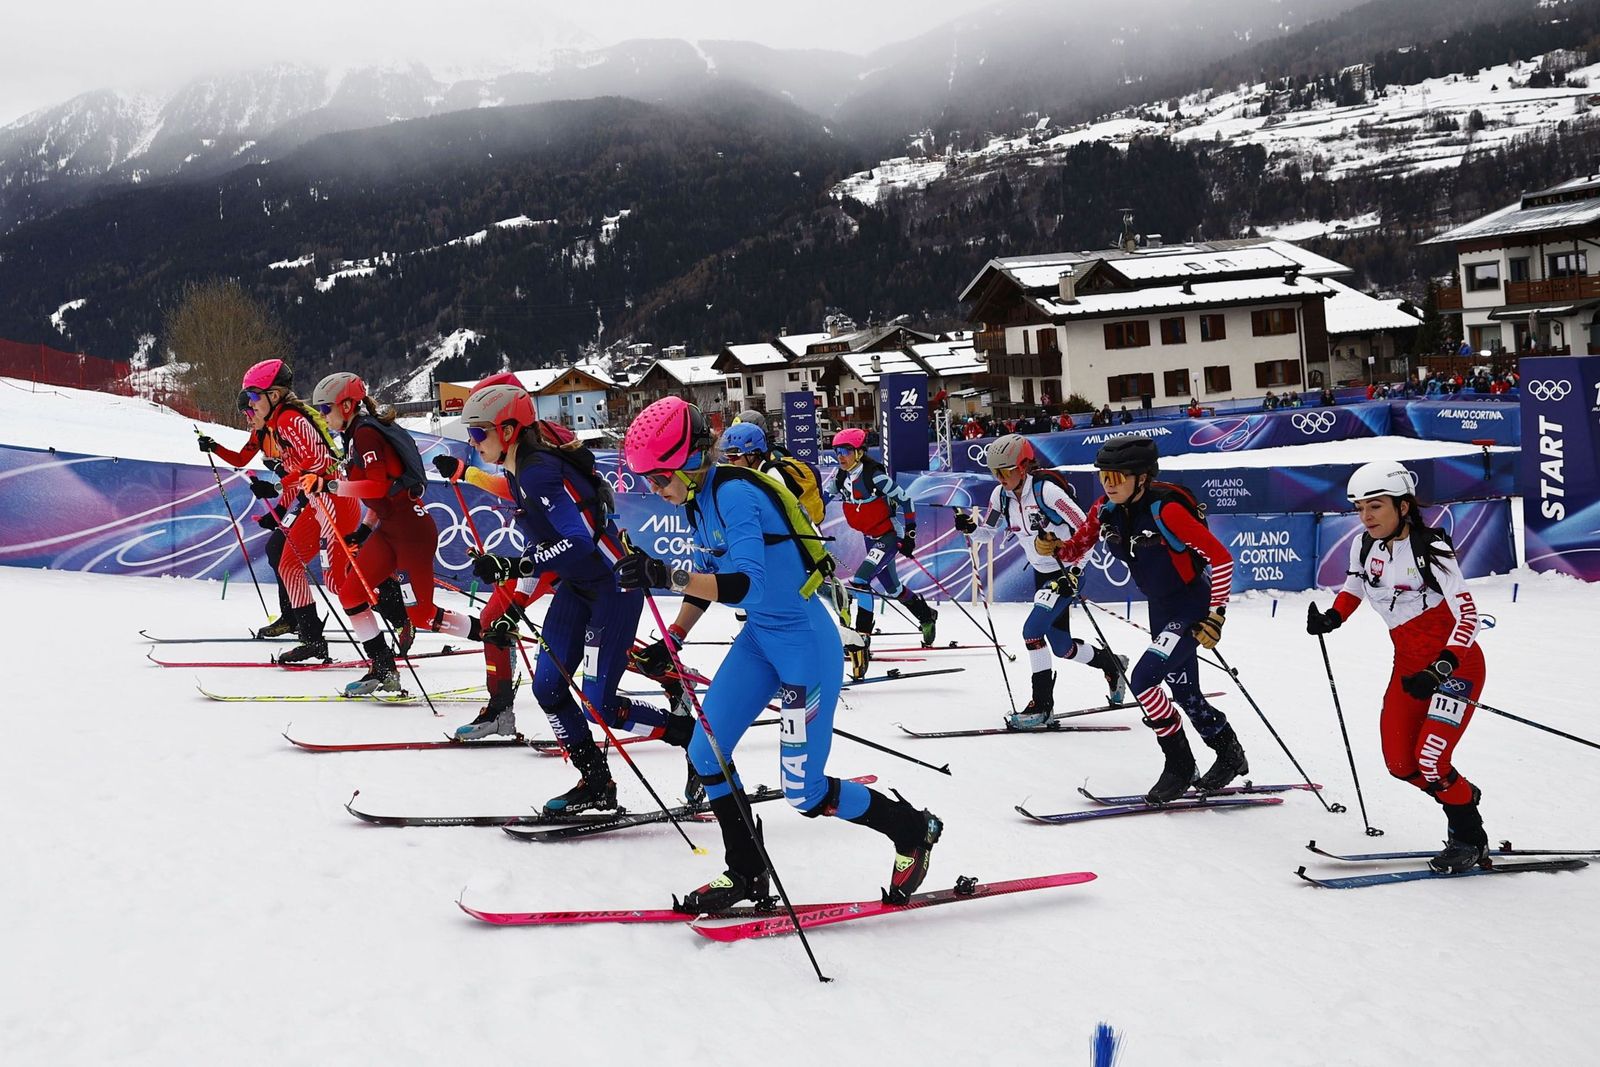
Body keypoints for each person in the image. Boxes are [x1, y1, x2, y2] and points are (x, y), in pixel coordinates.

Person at [616, 396, 943, 909]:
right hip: (761, 641)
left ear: (688, 460)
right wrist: (672, 639)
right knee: (706, 752)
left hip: (804, 648)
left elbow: (746, 584)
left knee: (803, 792)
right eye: (648, 483)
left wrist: (665, 575)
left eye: (658, 478)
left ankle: (911, 829)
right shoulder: (697, 500)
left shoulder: (735, 495)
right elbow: (710, 581)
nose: (654, 491)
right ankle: (744, 872)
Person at [449, 383, 696, 810]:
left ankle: (690, 738)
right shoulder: (517, 469)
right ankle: (596, 784)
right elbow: (543, 543)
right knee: (548, 687)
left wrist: (516, 567)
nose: (475, 442)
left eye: (479, 433)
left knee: (600, 702)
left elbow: (577, 541)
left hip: (613, 588)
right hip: (578, 589)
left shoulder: (536, 470)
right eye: (471, 434)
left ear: (508, 430)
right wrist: (516, 592)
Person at [1306, 461, 1490, 873]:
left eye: (1376, 506)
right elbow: (1354, 588)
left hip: (1454, 670)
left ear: (1403, 507)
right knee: (1399, 764)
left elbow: (1468, 617)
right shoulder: (1364, 546)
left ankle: (1469, 837)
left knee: (1430, 760)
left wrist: (1441, 668)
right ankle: (1460, 793)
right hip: (1408, 669)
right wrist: (1333, 617)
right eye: (1360, 507)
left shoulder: (1433, 550)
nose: (1366, 516)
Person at [1068, 435, 1245, 802]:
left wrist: (1216, 615)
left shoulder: (1167, 511)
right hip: (1160, 608)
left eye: (1118, 477)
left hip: (1190, 606)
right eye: (1104, 476)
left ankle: (1179, 765)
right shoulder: (1105, 509)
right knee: (1184, 691)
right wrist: (1055, 548)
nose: (1108, 484)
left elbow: (1221, 558)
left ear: (1143, 477)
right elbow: (1078, 545)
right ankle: (1229, 753)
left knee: (1144, 679)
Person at [953, 434, 1128, 728]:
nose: (1000, 477)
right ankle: (1112, 664)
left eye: (1005, 470)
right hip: (1042, 573)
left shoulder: (1047, 493)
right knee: (1062, 647)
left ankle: (1042, 706)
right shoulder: (1000, 496)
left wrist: (1075, 571)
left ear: (1023, 466)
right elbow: (987, 534)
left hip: (1067, 570)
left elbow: (1087, 530)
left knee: (1032, 631)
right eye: (994, 472)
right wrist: (971, 529)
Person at [308, 372, 465, 695]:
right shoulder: (355, 435)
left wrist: (330, 485)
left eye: (326, 409)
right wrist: (364, 531)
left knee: (421, 614)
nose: (324, 417)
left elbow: (377, 485)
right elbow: (382, 493)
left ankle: (493, 636)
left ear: (347, 404)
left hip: (410, 531)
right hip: (388, 528)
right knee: (351, 593)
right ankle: (382, 667)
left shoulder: (365, 433)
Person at [197, 359, 358, 663]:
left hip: (330, 494)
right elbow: (268, 463)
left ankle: (393, 607)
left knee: (337, 580)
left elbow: (318, 465)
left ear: (274, 395)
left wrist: (277, 488)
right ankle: (310, 638)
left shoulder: (289, 420)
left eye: (255, 399)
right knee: (286, 561)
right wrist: (215, 447)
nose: (250, 411)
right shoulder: (269, 427)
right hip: (313, 497)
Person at [828, 427, 938, 677]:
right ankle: (926, 614)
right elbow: (823, 498)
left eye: (845, 451)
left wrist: (910, 534)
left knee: (860, 581)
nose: (840, 456)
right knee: (893, 589)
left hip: (889, 536)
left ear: (859, 452)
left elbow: (906, 501)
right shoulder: (840, 477)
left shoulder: (874, 476)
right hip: (871, 537)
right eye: (837, 452)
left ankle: (862, 639)